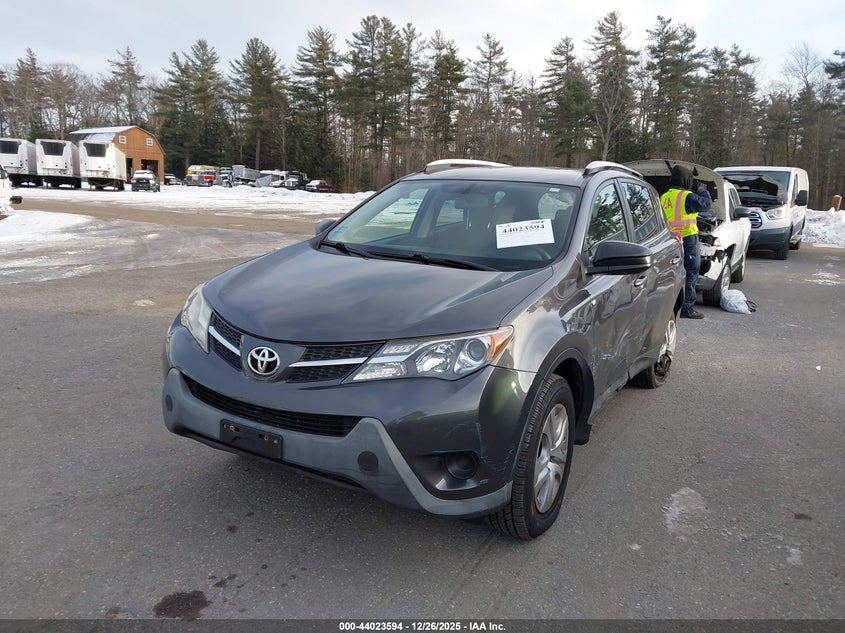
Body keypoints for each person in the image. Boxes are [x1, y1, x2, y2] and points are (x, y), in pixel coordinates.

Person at [661, 165, 712, 319]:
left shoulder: (664, 196)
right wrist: (703, 190)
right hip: (687, 239)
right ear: (686, 180)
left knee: (671, 274)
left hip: (669, 240)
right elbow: (706, 204)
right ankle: (687, 308)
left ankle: (669, 306)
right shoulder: (686, 196)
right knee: (690, 272)